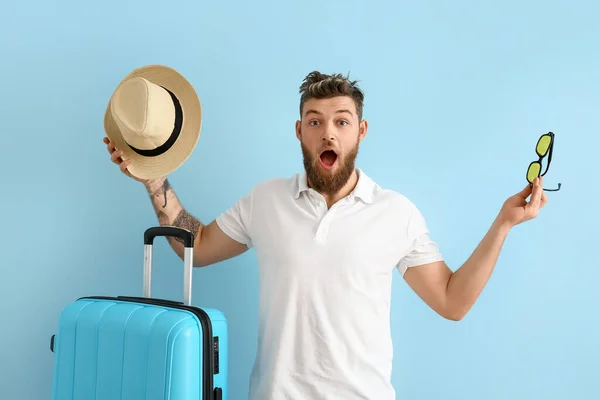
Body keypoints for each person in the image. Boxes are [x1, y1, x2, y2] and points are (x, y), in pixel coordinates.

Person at [104, 71, 548, 400]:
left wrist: (503, 224)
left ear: (361, 131)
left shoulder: (396, 212)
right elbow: (195, 249)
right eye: (314, 121)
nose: (328, 131)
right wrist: (153, 177)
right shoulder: (266, 200)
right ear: (300, 132)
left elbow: (452, 302)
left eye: (341, 120)